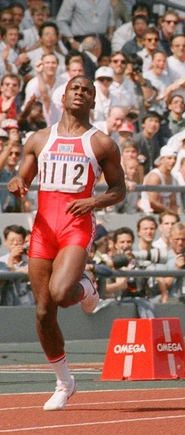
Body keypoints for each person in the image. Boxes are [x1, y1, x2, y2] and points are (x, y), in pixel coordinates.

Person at [7, 75, 126, 410]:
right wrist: (16, 183)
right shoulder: (40, 139)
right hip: (44, 229)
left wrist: (94, 201)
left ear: (93, 101)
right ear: (63, 96)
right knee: (44, 311)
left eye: (87, 90)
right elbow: (22, 177)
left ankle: (86, 288)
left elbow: (119, 189)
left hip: (76, 226)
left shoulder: (101, 143)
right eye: (75, 88)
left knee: (60, 294)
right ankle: (64, 382)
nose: (80, 93)